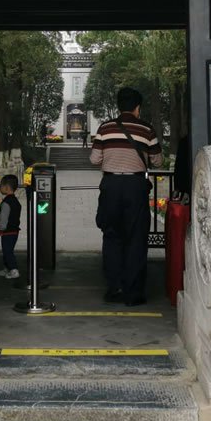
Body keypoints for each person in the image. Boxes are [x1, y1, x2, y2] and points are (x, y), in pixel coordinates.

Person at [90, 87, 162, 306]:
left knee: (112, 236)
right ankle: (133, 293)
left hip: (111, 187)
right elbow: (157, 161)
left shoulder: (105, 128)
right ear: (137, 108)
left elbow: (94, 159)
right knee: (136, 239)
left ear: (119, 106)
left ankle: (115, 288)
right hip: (135, 187)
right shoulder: (147, 129)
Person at [0, 174, 22, 280]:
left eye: (1, 185)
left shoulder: (6, 202)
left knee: (7, 251)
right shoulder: (15, 201)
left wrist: (0, 229)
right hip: (14, 230)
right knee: (7, 250)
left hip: (7, 231)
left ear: (6, 187)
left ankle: (14, 270)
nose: (0, 188)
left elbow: (3, 218)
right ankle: (7, 268)